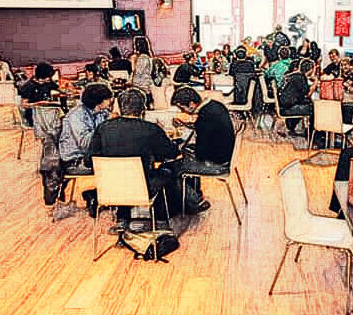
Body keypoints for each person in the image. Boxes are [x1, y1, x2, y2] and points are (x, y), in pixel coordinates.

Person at [89, 88, 181, 230]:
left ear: (120, 108)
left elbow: (89, 160)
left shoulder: (103, 128)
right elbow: (170, 153)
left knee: (123, 173)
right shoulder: (151, 129)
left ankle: (122, 218)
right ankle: (161, 219)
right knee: (168, 171)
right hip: (142, 188)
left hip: (110, 188)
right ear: (143, 109)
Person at [168, 86, 236, 213]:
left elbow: (201, 153)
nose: (183, 111)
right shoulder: (214, 106)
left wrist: (183, 150)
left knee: (172, 168)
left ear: (191, 104)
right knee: (186, 151)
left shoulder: (205, 116)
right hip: (225, 154)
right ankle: (195, 192)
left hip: (218, 164)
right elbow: (208, 130)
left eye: (182, 108)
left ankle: (195, 202)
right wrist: (186, 125)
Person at [58, 84, 114, 218]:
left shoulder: (102, 112)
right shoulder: (76, 116)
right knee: (118, 166)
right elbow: (85, 143)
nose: (111, 100)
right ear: (99, 101)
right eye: (108, 98)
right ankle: (97, 196)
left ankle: (100, 196)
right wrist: (107, 126)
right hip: (76, 160)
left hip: (93, 156)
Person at [278, 59, 316, 136]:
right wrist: (315, 82)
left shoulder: (293, 76)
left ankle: (291, 125)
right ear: (311, 70)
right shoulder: (301, 78)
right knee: (314, 108)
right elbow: (308, 94)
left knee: (305, 104)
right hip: (287, 109)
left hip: (282, 106)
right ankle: (312, 134)